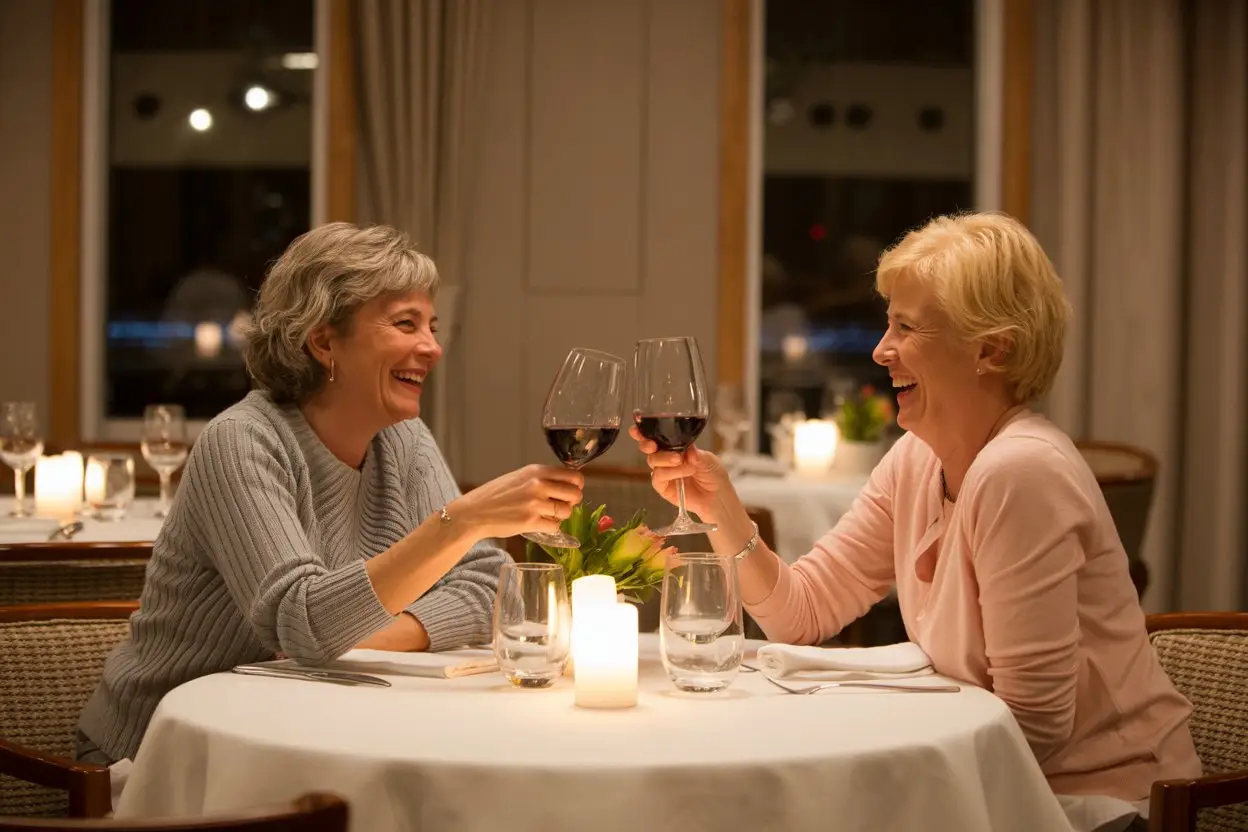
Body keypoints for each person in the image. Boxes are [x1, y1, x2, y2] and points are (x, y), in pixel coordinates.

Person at [633, 213, 1200, 806]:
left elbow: (1034, 729)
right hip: (993, 778)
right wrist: (720, 507)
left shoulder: (1020, 471)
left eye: (906, 328)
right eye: (888, 324)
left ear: (991, 349)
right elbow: (801, 613)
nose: (881, 350)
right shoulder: (918, 458)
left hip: (1095, 799)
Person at [79, 222, 584, 764]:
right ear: (323, 342)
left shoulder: (403, 439)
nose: (432, 347)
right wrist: (459, 523)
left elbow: (486, 588)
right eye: (406, 324)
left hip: (306, 728)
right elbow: (302, 623)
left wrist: (371, 635)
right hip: (166, 751)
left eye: (431, 326)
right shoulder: (243, 440)